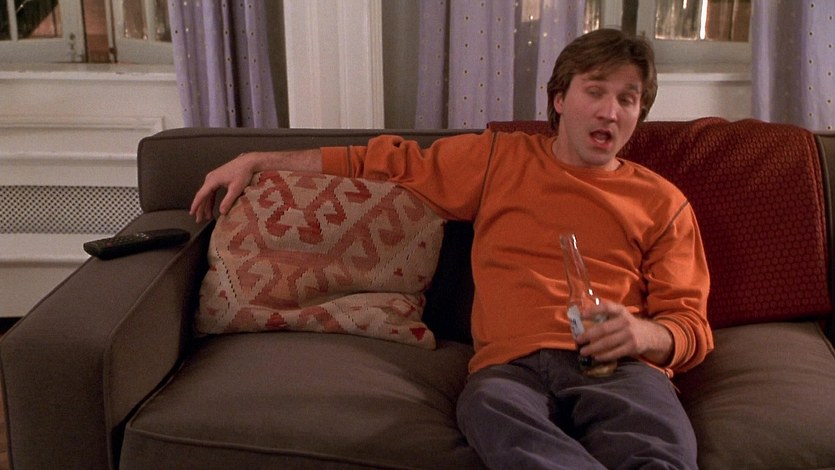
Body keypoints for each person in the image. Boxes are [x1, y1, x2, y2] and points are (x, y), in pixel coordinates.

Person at [190, 28, 712, 470]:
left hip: (619, 367)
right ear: (559, 99)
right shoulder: (499, 158)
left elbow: (690, 327)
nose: (610, 112)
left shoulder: (662, 202)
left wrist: (642, 334)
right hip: (512, 368)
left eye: (627, 99)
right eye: (595, 91)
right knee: (490, 411)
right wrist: (260, 161)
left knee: (660, 448)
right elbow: (385, 164)